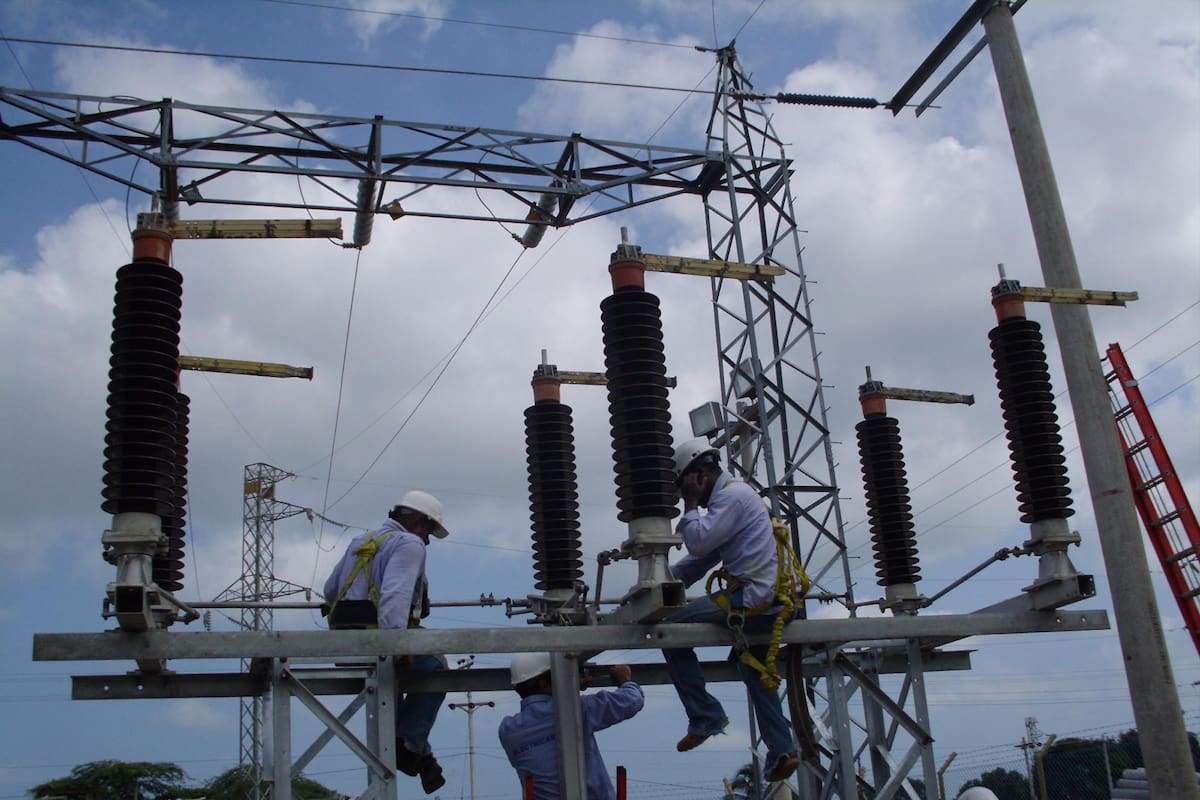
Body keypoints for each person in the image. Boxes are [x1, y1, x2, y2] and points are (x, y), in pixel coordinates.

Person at [662, 437, 800, 783]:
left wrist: (690, 505)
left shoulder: (731, 497)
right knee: (752, 668)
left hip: (754, 601)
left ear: (700, 476)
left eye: (685, 487)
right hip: (772, 601)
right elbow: (701, 560)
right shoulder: (736, 498)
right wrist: (660, 583)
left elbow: (698, 543)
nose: (685, 495)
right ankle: (782, 750)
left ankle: (704, 716)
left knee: (670, 630)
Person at [323, 490, 450, 795]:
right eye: (429, 532)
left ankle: (419, 752)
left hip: (345, 646)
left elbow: (330, 591)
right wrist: (398, 644)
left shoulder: (361, 541)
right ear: (418, 522)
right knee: (435, 664)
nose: (428, 541)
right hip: (379, 643)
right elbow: (396, 595)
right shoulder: (409, 544)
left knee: (394, 686)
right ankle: (411, 747)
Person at [498, 653, 644, 800]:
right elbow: (631, 700)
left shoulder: (508, 730)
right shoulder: (575, 709)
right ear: (544, 684)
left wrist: (569, 688)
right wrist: (625, 681)